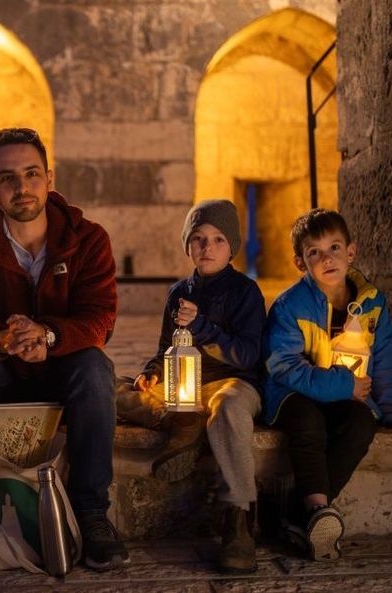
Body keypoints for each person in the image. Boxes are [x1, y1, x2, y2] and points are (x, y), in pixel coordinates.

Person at [0, 127, 127, 571]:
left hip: (61, 364)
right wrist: (1, 339)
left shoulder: (89, 238)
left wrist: (47, 336)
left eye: (30, 174)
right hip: (0, 366)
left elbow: (100, 317)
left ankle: (92, 511)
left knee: (96, 367)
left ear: (49, 177)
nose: (21, 187)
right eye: (7, 178)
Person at [264, 208, 392, 562]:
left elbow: (383, 360)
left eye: (334, 247)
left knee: (361, 423)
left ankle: (300, 514)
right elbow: (284, 367)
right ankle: (318, 506)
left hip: (344, 396)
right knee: (307, 422)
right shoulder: (291, 306)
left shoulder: (372, 304)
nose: (327, 258)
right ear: (300, 263)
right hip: (292, 394)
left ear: (351, 252)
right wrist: (342, 385)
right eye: (314, 252)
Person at [131, 199, 265, 573]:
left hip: (233, 383)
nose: (207, 248)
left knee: (228, 407)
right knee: (118, 390)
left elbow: (248, 355)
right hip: (185, 382)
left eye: (219, 240)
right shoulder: (177, 292)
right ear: (187, 244)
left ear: (232, 247)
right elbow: (165, 346)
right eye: (199, 238)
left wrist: (203, 327)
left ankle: (238, 518)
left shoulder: (245, 292)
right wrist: (153, 370)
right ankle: (184, 422)